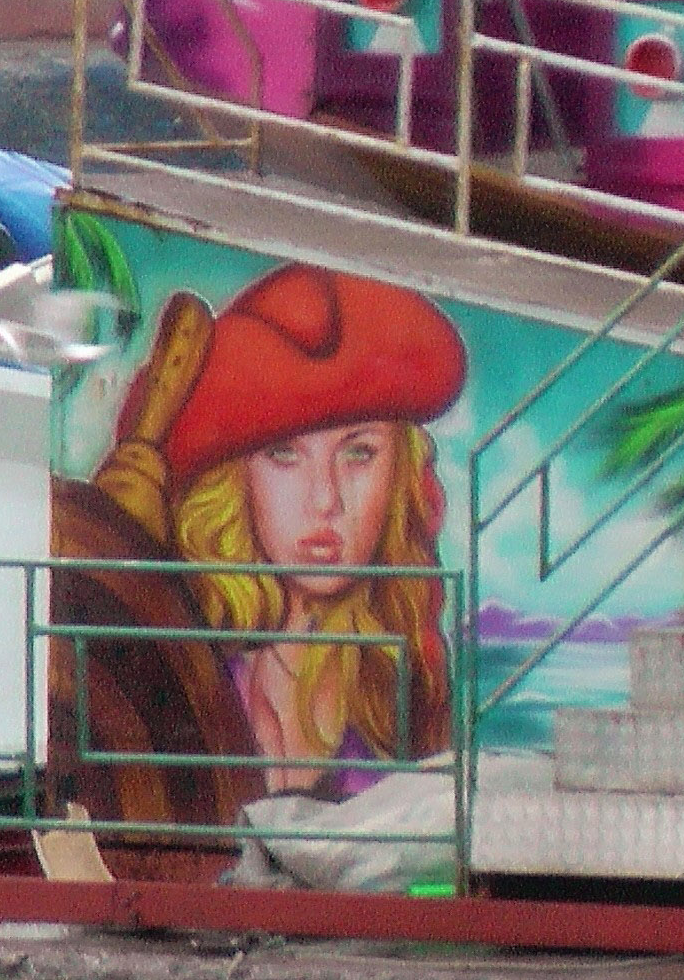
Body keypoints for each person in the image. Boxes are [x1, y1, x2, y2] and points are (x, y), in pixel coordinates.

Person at [49, 264, 468, 863]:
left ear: (400, 476)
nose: (326, 500)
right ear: (234, 483)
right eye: (283, 455)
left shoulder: (407, 690)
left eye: (360, 453)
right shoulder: (184, 666)